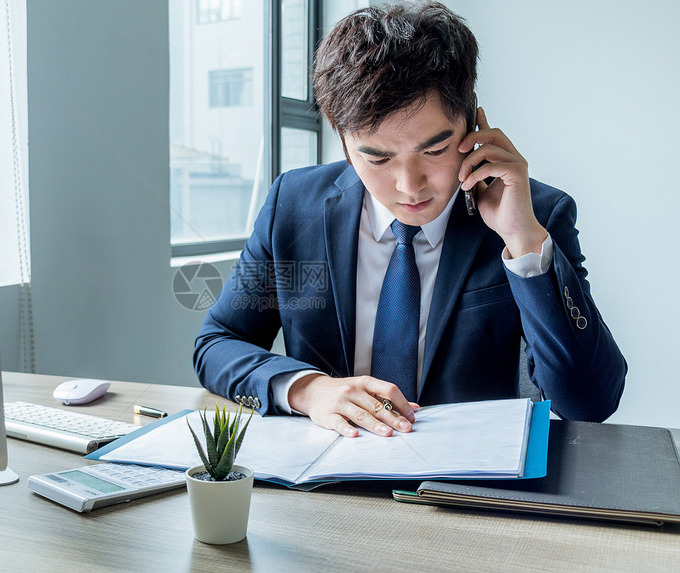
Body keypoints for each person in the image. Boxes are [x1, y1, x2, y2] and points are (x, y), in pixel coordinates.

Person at [193, 1, 626, 438]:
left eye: (434, 151)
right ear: (343, 139)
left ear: (474, 121)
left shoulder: (537, 215)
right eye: (377, 157)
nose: (409, 186)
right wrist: (309, 390)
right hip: (325, 482)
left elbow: (589, 403)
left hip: (462, 489)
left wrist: (522, 241)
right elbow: (217, 343)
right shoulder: (294, 203)